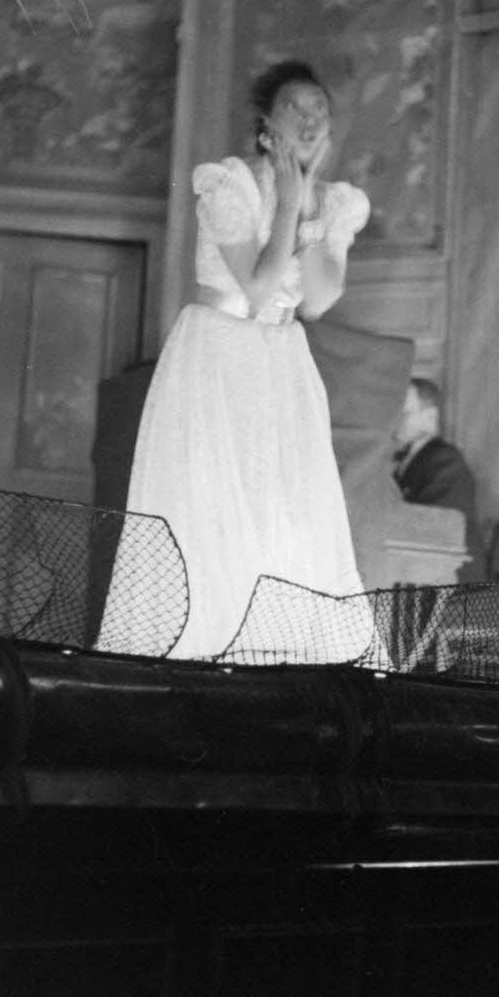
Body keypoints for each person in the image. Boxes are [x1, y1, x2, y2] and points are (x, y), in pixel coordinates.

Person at [96, 60, 377, 662]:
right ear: (265, 124)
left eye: (320, 111)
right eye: (296, 109)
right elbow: (257, 287)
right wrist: (286, 205)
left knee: (285, 509)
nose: (310, 120)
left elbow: (319, 300)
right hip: (219, 353)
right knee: (210, 507)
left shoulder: (334, 202)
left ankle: (272, 657)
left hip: (280, 361)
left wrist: (308, 210)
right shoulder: (228, 183)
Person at [392, 378, 483, 579]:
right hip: (424, 570)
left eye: (404, 413)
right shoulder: (410, 459)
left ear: (430, 417)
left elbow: (438, 525)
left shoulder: (444, 460)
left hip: (454, 582)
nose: (394, 420)